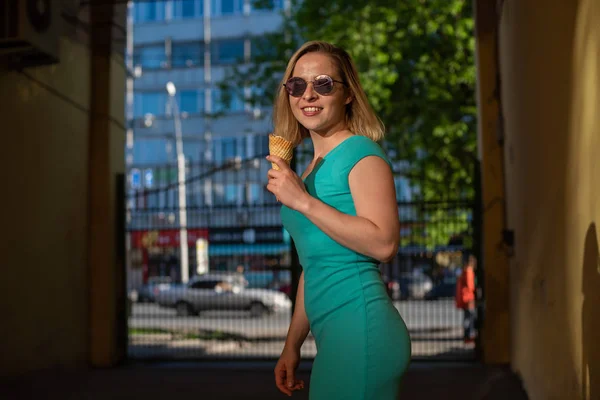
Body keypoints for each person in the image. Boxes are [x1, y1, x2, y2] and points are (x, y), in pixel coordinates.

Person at [266, 41, 411, 399]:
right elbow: (313, 267)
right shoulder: (310, 169)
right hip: (334, 338)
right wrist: (292, 344)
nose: (308, 94)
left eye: (324, 83)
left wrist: (302, 201)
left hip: (361, 330)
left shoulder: (362, 154)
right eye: (297, 85)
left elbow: (384, 243)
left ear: (347, 94)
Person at [455, 254, 477, 343]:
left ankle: (467, 336)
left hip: (465, 298)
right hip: (469, 298)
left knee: (467, 317)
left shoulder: (464, 270)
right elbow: (470, 285)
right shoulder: (469, 270)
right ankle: (469, 336)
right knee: (470, 317)